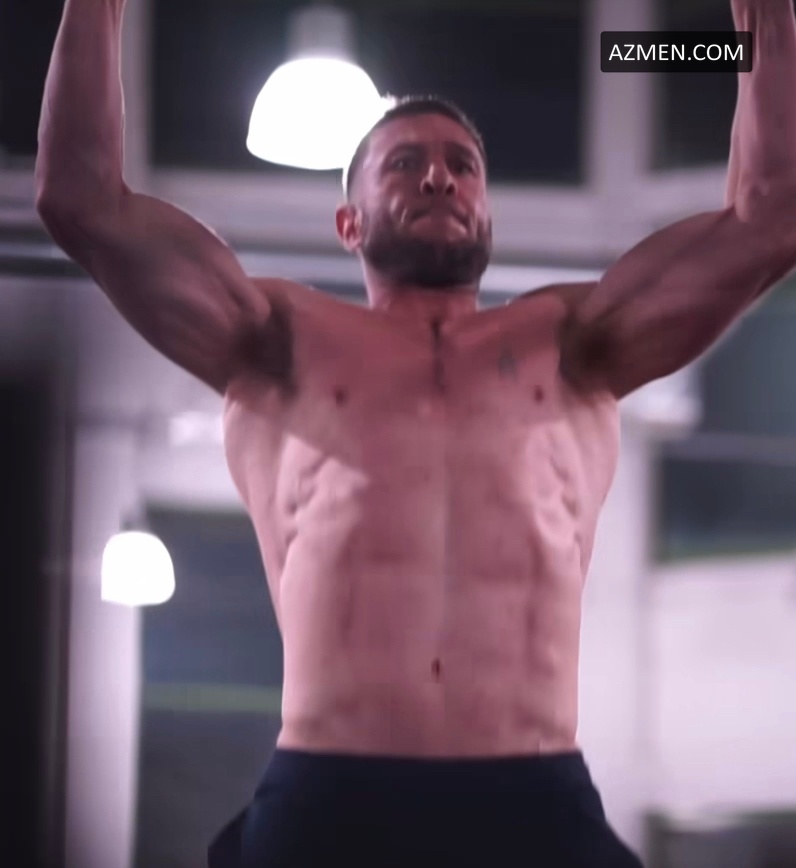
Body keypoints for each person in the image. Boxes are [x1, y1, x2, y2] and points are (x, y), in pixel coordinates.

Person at [35, 0, 796, 865]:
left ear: (488, 214)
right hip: (333, 791)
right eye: (405, 163)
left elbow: (771, 217)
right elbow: (81, 200)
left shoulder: (577, 342)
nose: (440, 178)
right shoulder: (275, 339)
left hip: (532, 792)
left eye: (462, 165)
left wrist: (764, 22)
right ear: (349, 222)